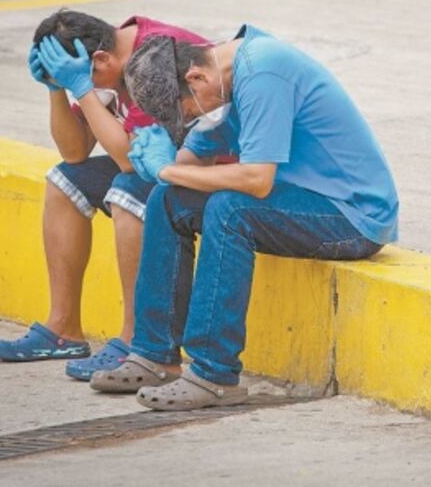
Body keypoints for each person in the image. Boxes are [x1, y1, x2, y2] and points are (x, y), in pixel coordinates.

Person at [87, 24, 398, 410]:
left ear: (195, 78)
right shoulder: (220, 79)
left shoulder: (263, 72)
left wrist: (166, 170)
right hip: (301, 203)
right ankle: (155, 353)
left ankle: (213, 374)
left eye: (185, 112)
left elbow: (256, 180)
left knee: (229, 208)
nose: (187, 122)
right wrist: (157, 166)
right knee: (167, 199)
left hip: (351, 216)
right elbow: (188, 164)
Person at [0, 10, 208, 381]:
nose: (84, 85)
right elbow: (74, 152)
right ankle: (63, 330)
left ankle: (135, 340)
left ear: (102, 60)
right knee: (65, 181)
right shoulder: (100, 63)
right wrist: (58, 89)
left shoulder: (152, 58)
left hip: (208, 170)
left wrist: (82, 89)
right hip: (159, 164)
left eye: (85, 76)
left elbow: (127, 162)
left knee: (125, 191)